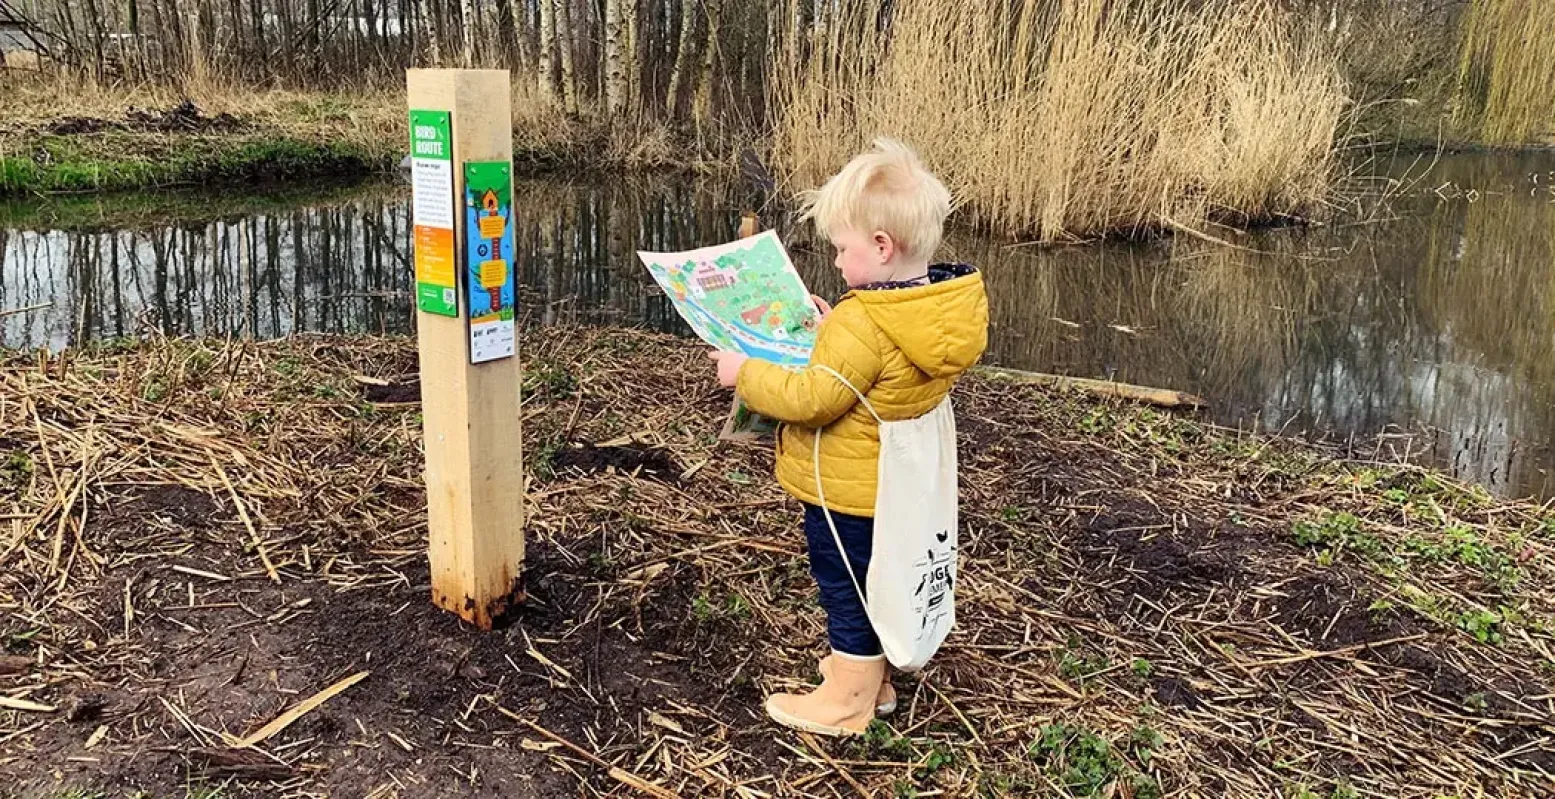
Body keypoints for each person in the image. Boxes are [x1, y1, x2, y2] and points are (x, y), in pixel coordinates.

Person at [708, 138, 989, 736]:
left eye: (842, 249)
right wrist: (834, 327)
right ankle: (874, 681)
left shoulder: (866, 320)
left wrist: (745, 373)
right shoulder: (932, 308)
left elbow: (814, 398)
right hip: (893, 486)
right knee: (875, 579)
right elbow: (884, 368)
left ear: (882, 247)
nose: (836, 263)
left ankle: (846, 701)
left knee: (844, 585)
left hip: (845, 490)